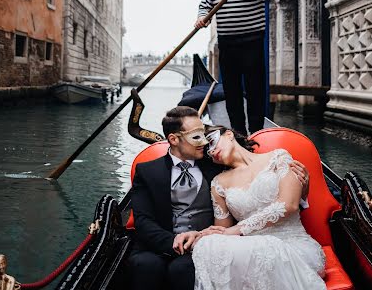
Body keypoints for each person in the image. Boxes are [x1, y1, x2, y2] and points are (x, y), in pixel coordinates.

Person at [127, 106, 310, 290]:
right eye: (197, 137)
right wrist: (174, 242)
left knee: (183, 269)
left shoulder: (216, 166)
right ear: (173, 139)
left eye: (207, 138)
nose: (207, 146)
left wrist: (302, 189)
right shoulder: (147, 171)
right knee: (146, 266)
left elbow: (273, 200)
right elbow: (143, 220)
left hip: (201, 247)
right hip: (158, 245)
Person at [192, 126, 326, 290]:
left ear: (229, 134)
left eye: (211, 143)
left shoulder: (278, 157)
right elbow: (223, 231)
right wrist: (201, 234)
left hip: (294, 247)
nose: (211, 152)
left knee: (258, 250)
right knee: (208, 244)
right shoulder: (218, 183)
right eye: (207, 152)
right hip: (250, 250)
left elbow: (289, 205)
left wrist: (236, 230)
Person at [195, 0, 281, 135]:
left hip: (252, 42)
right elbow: (205, 5)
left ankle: (257, 132)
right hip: (227, 44)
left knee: (254, 90)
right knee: (231, 92)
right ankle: (239, 132)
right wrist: (202, 18)